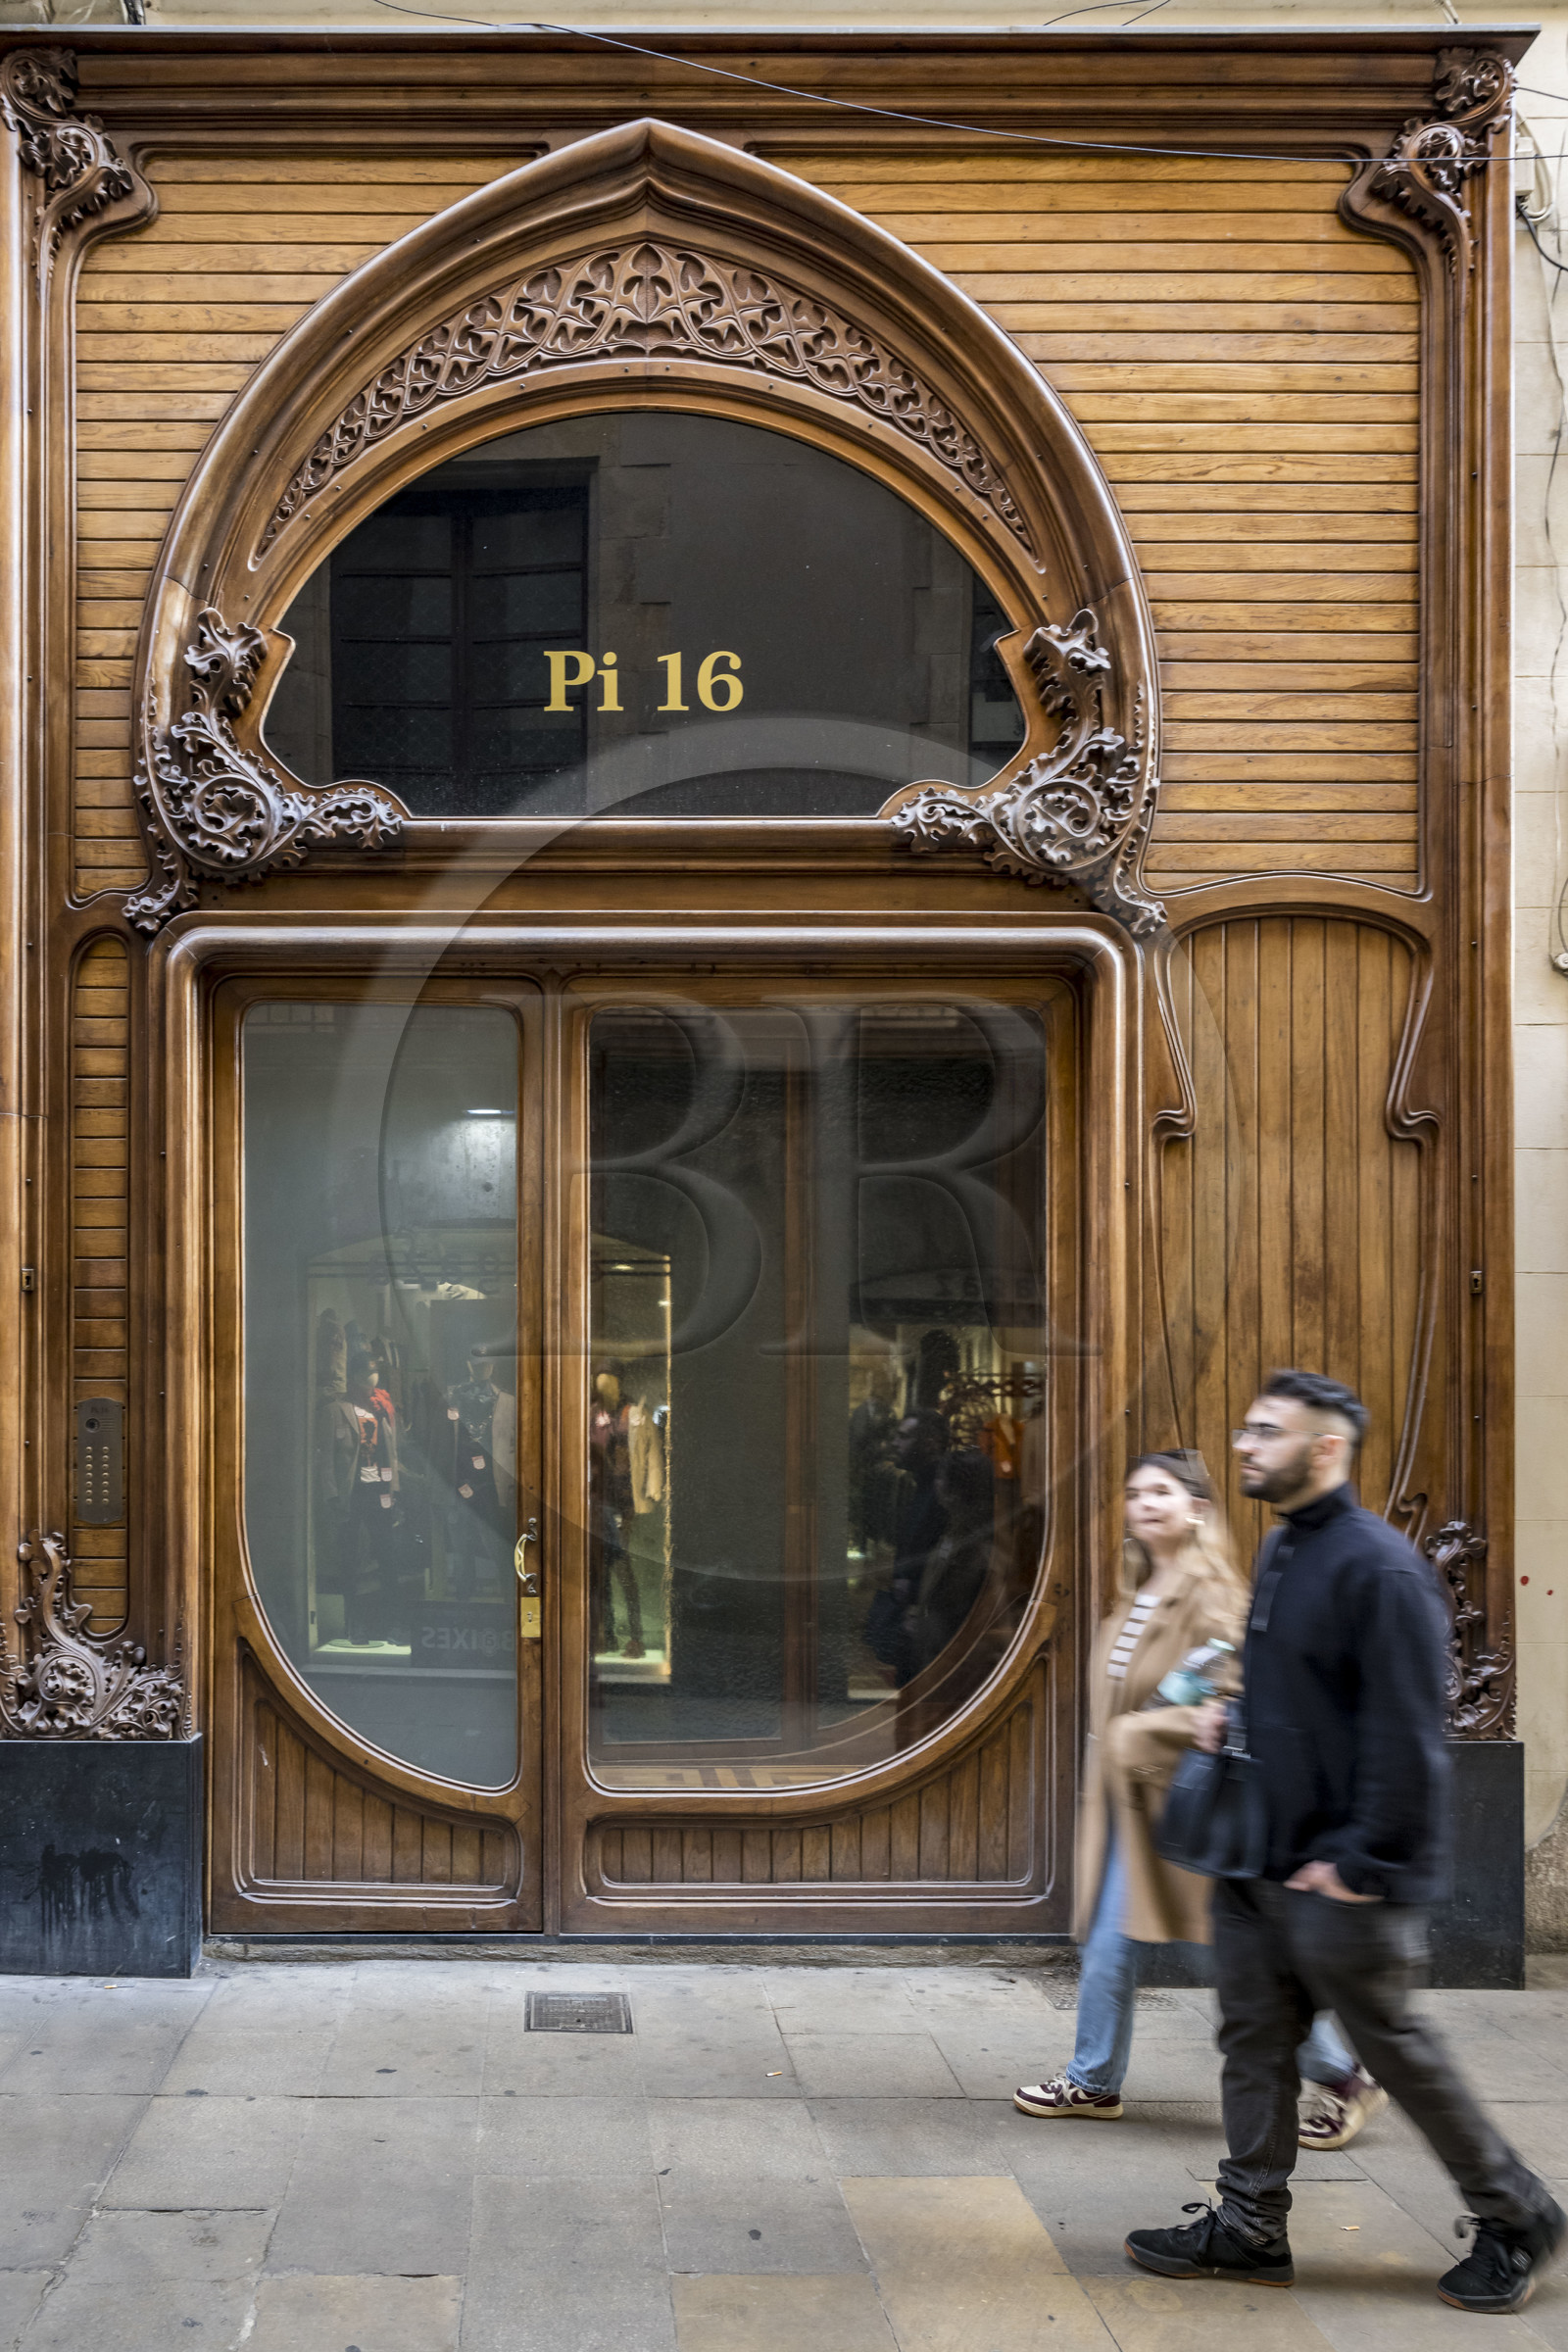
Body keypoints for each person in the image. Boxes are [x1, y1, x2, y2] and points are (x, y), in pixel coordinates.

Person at [1125, 1371, 1565, 2314]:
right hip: (1260, 1858)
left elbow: (1410, 1736)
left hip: (1341, 1877)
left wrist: (1361, 1863)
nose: (1245, 1445)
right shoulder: (1286, 1548)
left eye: (1268, 1434)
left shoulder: (1382, 1568)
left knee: (1397, 2051)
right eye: (1246, 1430)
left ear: (1326, 1450)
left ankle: (1518, 2213)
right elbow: (1303, 1694)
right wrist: (1229, 1713)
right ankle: (1248, 2227)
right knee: (1251, 2044)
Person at [1014, 1452, 1252, 2117]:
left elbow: (1227, 1697)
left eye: (1161, 1492)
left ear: (1197, 1509)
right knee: (1112, 1939)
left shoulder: (1213, 1592)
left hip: (1179, 1803)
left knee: (1228, 1956)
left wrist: (1141, 1736)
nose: (1144, 1503)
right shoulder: (1141, 1585)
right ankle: (1092, 2079)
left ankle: (1342, 2072)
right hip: (1133, 1802)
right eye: (1135, 1492)